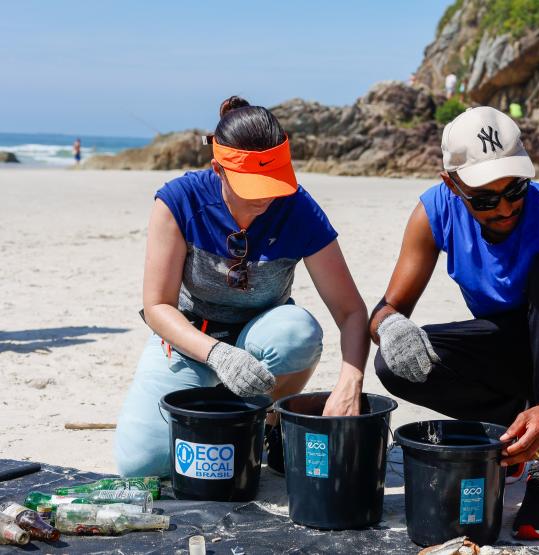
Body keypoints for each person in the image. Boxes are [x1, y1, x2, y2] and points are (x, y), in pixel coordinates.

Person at [370, 106, 539, 539]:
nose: (506, 208)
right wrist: (391, 327)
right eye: (485, 199)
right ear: (452, 185)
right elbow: (387, 308)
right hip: (511, 350)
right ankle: (516, 435)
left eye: (515, 189)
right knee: (393, 360)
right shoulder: (433, 211)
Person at [114, 96, 368, 477]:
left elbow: (350, 311)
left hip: (263, 337)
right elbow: (157, 307)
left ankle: (267, 422)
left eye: (275, 181)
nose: (267, 195)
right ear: (218, 169)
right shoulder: (178, 201)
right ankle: (221, 402)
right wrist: (218, 355)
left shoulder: (297, 208)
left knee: (297, 332)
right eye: (253, 186)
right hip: (190, 337)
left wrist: (350, 382)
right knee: (142, 465)